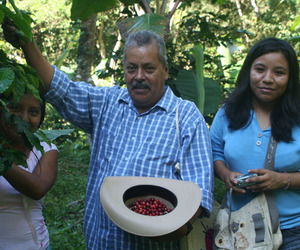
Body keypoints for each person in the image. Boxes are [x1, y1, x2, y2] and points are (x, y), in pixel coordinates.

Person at [2, 24, 214, 249]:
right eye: (131, 68)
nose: (139, 76)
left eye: (149, 68)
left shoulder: (186, 117)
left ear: (166, 70)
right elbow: (60, 89)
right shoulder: (108, 103)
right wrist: (27, 44)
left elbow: (198, 191)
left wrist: (174, 227)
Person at [210, 37, 300, 249]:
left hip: (293, 231)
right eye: (260, 69)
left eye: (279, 72)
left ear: (290, 78)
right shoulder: (227, 114)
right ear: (248, 71)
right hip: (238, 227)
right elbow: (215, 153)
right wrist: (226, 175)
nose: (267, 79)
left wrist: (282, 180)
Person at [0, 91, 58, 249]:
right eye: (15, 108)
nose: (24, 118)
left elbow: (37, 188)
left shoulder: (45, 149)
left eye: (33, 112)